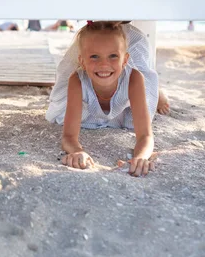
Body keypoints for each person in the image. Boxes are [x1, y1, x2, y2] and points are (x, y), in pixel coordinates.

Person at [46, 21, 170, 177]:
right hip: (93, 108)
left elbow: (145, 135)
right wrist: (78, 152)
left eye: (113, 56)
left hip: (126, 104)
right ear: (82, 61)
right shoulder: (77, 80)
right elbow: (69, 136)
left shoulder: (134, 78)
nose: (104, 64)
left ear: (125, 60)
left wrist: (140, 157)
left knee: (140, 111)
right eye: (94, 56)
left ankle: (158, 93)